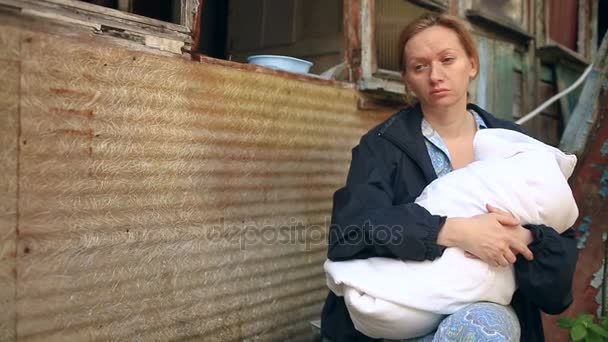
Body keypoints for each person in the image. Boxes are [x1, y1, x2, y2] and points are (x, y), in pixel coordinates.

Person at [321, 13, 578, 342]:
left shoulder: (515, 145)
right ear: (407, 79)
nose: (435, 76)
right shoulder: (382, 147)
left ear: (472, 64)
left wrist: (524, 238)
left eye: (447, 59)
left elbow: (561, 258)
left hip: (487, 314)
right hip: (402, 312)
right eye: (420, 67)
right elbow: (349, 232)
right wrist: (452, 230)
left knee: (483, 328)